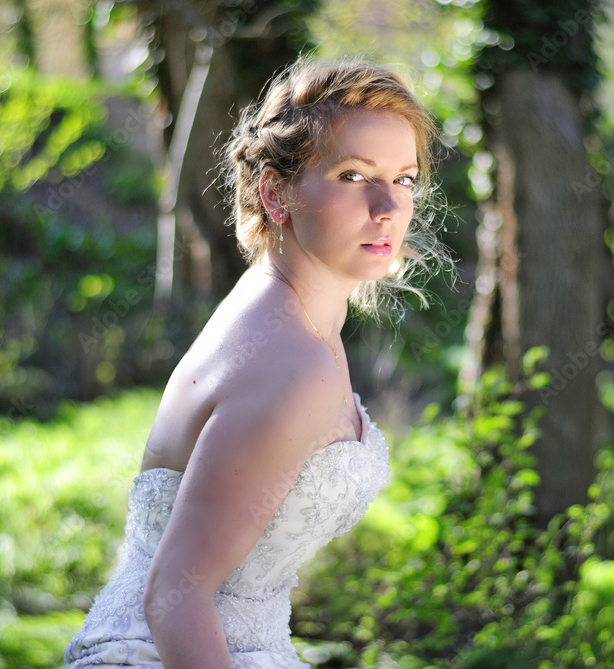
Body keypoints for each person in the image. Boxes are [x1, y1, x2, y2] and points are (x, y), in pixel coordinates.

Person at [64, 56, 450, 669]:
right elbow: (175, 595)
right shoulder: (289, 360)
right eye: (353, 175)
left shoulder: (286, 308)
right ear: (276, 191)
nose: (388, 207)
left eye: (403, 179)